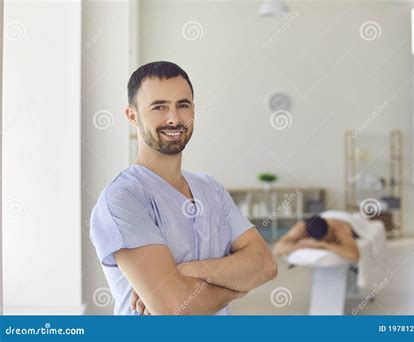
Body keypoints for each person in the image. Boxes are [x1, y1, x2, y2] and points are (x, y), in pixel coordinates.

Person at [89, 61, 277, 315]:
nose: (174, 118)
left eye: (183, 105)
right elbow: (174, 308)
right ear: (132, 116)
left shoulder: (211, 189)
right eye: (159, 107)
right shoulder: (122, 199)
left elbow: (265, 265)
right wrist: (238, 286)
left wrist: (185, 271)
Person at [273, 214, 360, 262]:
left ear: (330, 229)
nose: (327, 240)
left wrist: (324, 244)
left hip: (348, 220)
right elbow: (276, 250)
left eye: (327, 238)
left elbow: (354, 256)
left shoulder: (339, 227)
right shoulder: (301, 228)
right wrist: (300, 245)